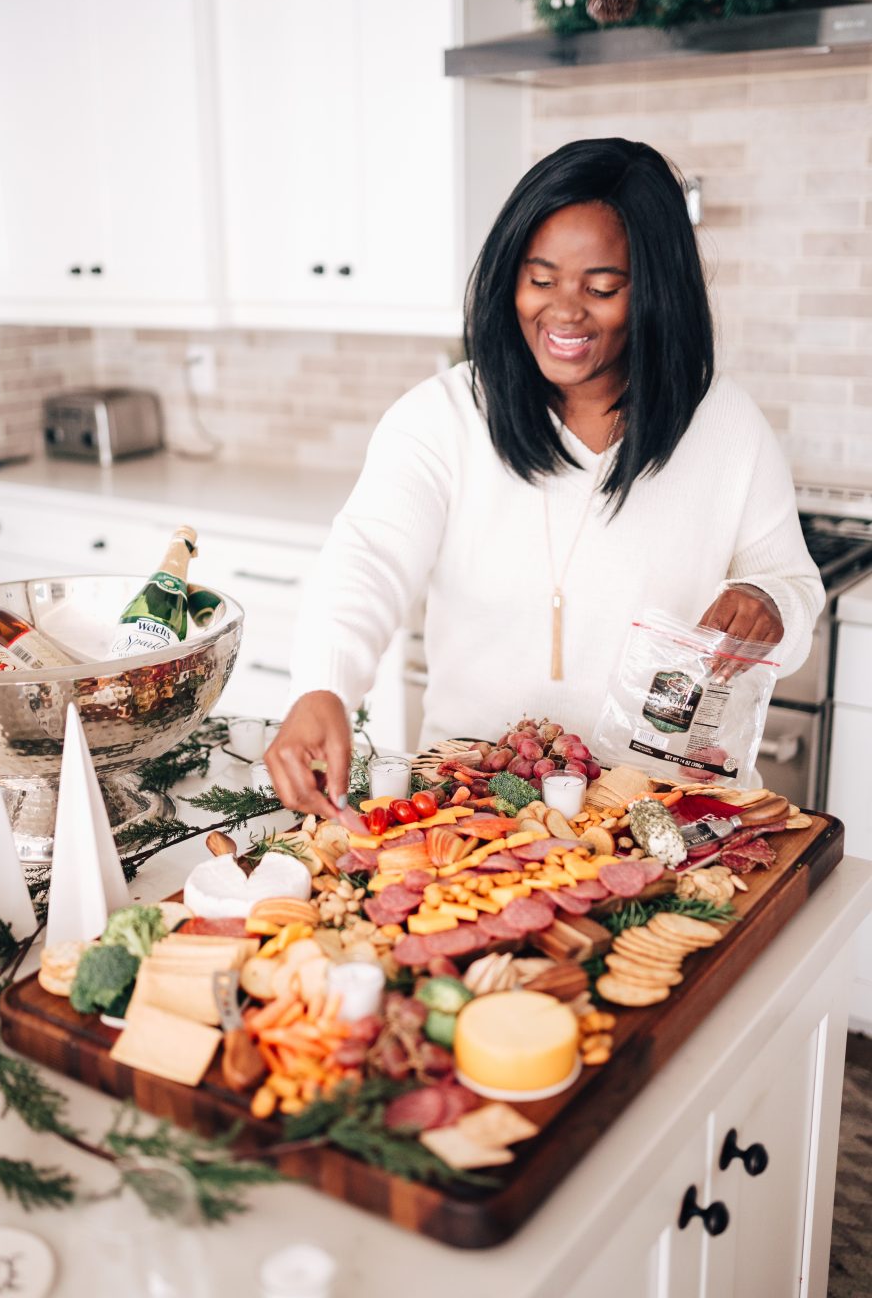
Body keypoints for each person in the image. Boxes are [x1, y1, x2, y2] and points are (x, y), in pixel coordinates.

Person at [265, 138, 824, 817]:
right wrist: (323, 687)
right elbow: (367, 559)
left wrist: (770, 604)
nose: (564, 311)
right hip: (467, 804)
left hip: (656, 810)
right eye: (541, 279)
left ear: (656, 292)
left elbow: (794, 588)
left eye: (602, 287)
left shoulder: (726, 424)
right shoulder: (443, 417)